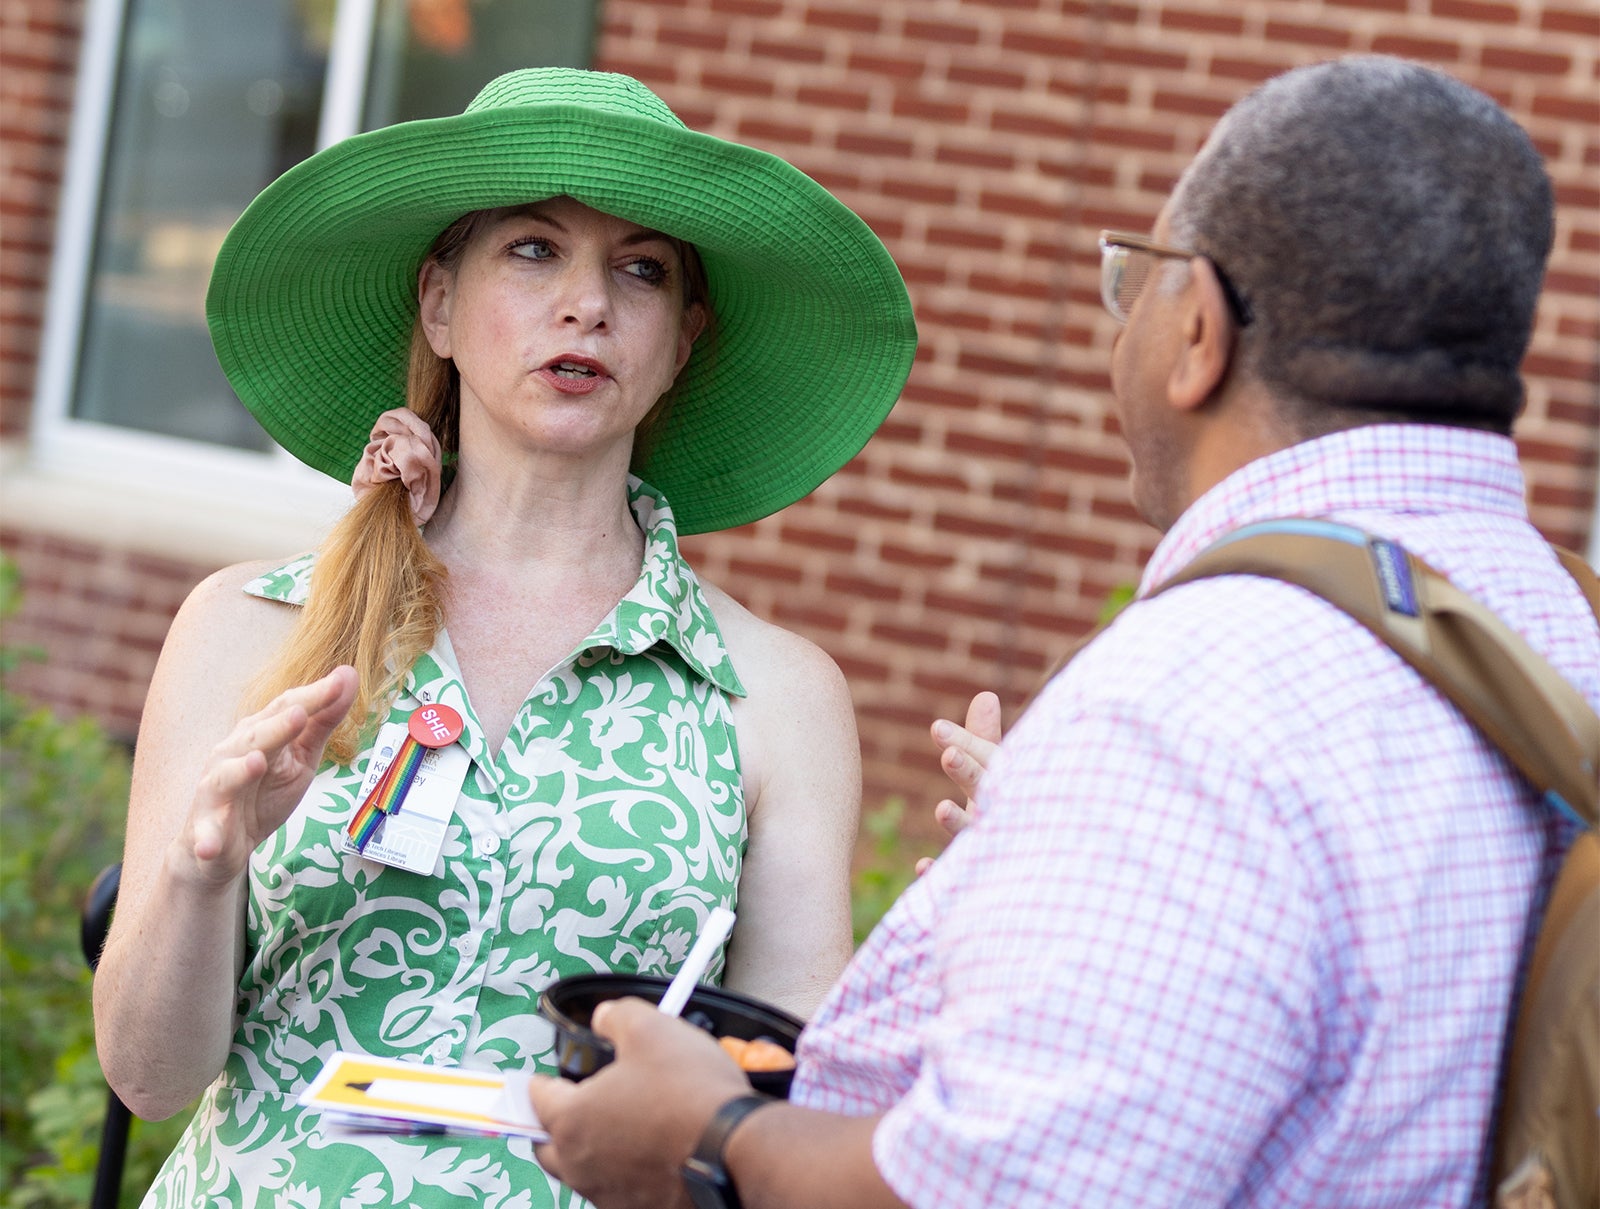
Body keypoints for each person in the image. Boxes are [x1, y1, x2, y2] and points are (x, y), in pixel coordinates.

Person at [525, 55, 1600, 1208]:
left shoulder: (1188, 706)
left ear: (1198, 331)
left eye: (1135, 280)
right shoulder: (1561, 617)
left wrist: (708, 1135)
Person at [91, 68, 916, 1208]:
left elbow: (780, 1125)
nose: (587, 305)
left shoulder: (775, 695)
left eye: (641, 270)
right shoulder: (252, 628)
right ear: (438, 303)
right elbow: (147, 1078)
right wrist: (205, 867)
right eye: (533, 251)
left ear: (683, 340)